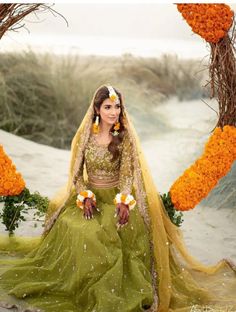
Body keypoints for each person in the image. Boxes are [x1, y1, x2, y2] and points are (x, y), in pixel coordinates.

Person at [0, 84, 236, 312]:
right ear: (97, 110)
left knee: (122, 229)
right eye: (108, 108)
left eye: (117, 107)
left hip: (116, 196)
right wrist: (84, 196)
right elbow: (76, 175)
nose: (114, 113)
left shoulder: (124, 137)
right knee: (79, 229)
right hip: (90, 197)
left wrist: (124, 200)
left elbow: (126, 175)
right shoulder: (85, 136)